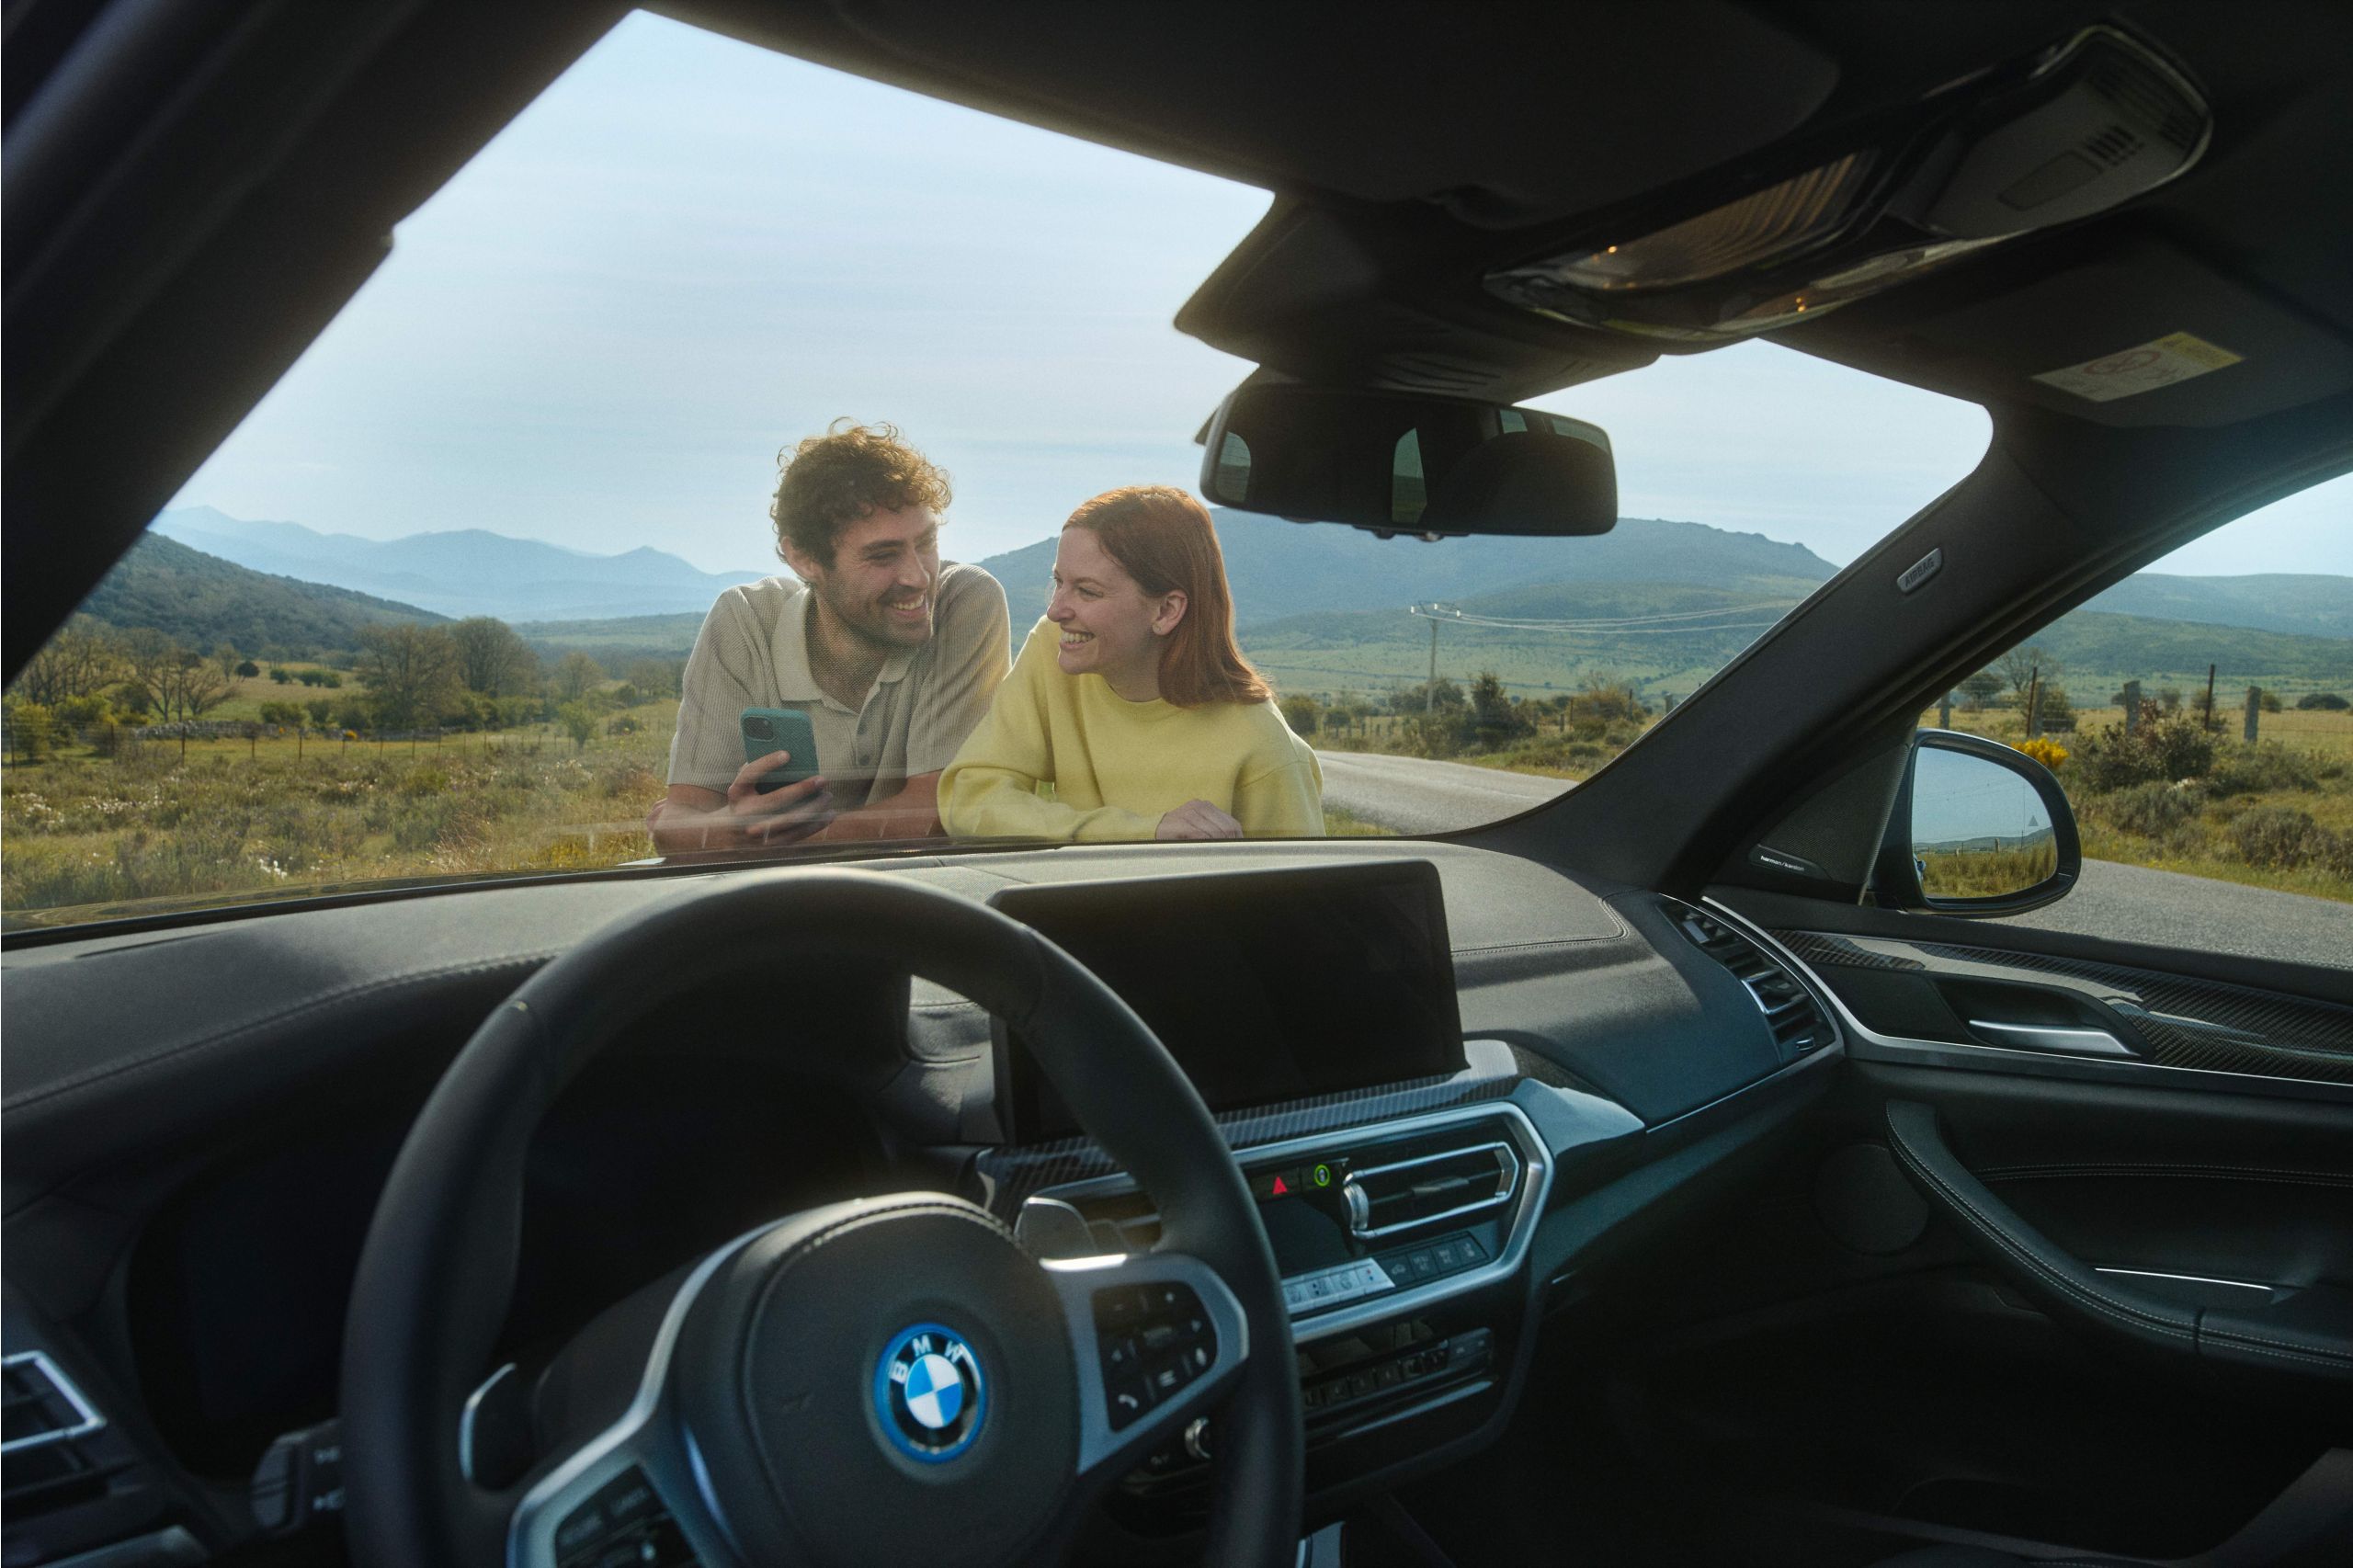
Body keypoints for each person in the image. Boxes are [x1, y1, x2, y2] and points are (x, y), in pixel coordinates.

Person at [651, 421, 1009, 852]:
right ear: (803, 559)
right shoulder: (745, 619)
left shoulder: (962, 601)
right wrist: (729, 826)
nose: (918, 577)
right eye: (883, 555)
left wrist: (758, 841)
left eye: (926, 542)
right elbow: (679, 819)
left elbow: (939, 811)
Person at [939, 484, 1324, 842]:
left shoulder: (1264, 751)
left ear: (1166, 610)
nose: (1056, 611)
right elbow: (970, 798)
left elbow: (1302, 904)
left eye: (1088, 592)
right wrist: (1142, 833)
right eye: (1059, 582)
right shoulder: (1054, 648)